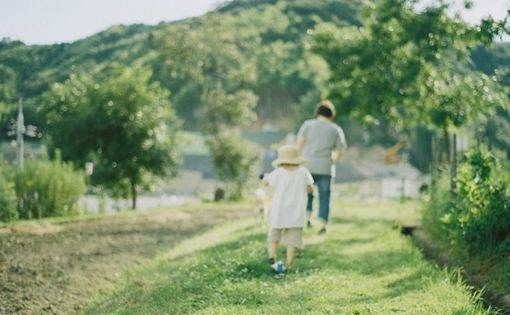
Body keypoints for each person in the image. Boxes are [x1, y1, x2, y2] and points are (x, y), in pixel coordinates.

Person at [296, 100, 347, 234]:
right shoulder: (335, 129)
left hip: (307, 165)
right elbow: (340, 150)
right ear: (331, 115)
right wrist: (333, 160)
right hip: (325, 167)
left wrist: (296, 161)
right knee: (325, 196)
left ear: (318, 113)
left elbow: (299, 144)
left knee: (307, 193)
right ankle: (323, 225)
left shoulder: (308, 125)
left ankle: (306, 218)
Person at [263, 145, 314, 274]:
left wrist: (265, 179)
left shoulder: (278, 172)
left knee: (274, 233)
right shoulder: (304, 172)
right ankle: (289, 263)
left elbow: (268, 183)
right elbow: (310, 189)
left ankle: (272, 257)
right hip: (297, 211)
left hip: (279, 209)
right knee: (293, 238)